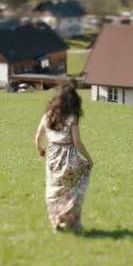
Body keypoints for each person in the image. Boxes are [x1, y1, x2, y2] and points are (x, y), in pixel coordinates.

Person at [34, 82, 93, 233]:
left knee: (54, 190)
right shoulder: (73, 117)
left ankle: (56, 221)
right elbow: (77, 142)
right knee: (73, 190)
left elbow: (38, 137)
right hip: (70, 156)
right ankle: (74, 223)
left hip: (53, 155)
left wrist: (41, 150)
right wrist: (88, 159)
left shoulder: (48, 115)